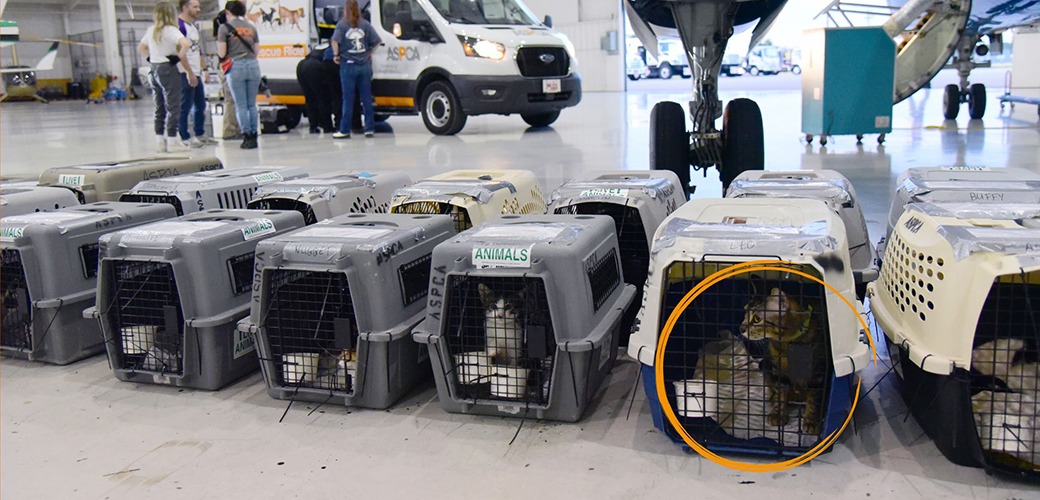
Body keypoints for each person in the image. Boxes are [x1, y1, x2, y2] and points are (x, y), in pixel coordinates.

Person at [138, 1, 199, 153]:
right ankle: (172, 140)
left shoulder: (151, 30)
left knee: (159, 107)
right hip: (167, 68)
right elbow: (185, 43)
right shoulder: (171, 30)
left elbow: (141, 48)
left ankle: (160, 141)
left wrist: (151, 57)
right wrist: (178, 57)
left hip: (153, 69)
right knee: (173, 105)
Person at [331, 0, 381, 139]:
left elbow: (335, 41)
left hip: (348, 65)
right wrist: (369, 52)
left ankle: (345, 129)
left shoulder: (342, 25)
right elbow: (377, 42)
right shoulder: (365, 24)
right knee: (366, 98)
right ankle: (369, 129)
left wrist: (336, 55)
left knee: (348, 99)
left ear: (345, 10)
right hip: (364, 65)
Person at [217, 0, 261, 149]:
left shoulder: (224, 28)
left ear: (228, 12)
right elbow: (256, 51)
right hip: (253, 66)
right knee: (252, 104)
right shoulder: (251, 27)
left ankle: (247, 137)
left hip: (236, 66)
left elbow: (222, 52)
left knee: (241, 105)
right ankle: (254, 135)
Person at [177, 0, 217, 148]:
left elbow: (197, 50)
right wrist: (189, 72)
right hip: (185, 72)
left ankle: (200, 134)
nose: (199, 9)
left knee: (200, 104)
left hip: (196, 72)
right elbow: (180, 53)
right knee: (185, 105)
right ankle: (184, 136)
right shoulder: (179, 27)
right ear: (185, 7)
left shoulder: (193, 27)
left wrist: (204, 68)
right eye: (195, 7)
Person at [297, 45, 335, 134]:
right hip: (314, 66)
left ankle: (313, 126)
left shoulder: (323, 45)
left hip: (302, 64)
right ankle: (327, 126)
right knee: (323, 97)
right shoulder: (335, 45)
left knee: (310, 98)